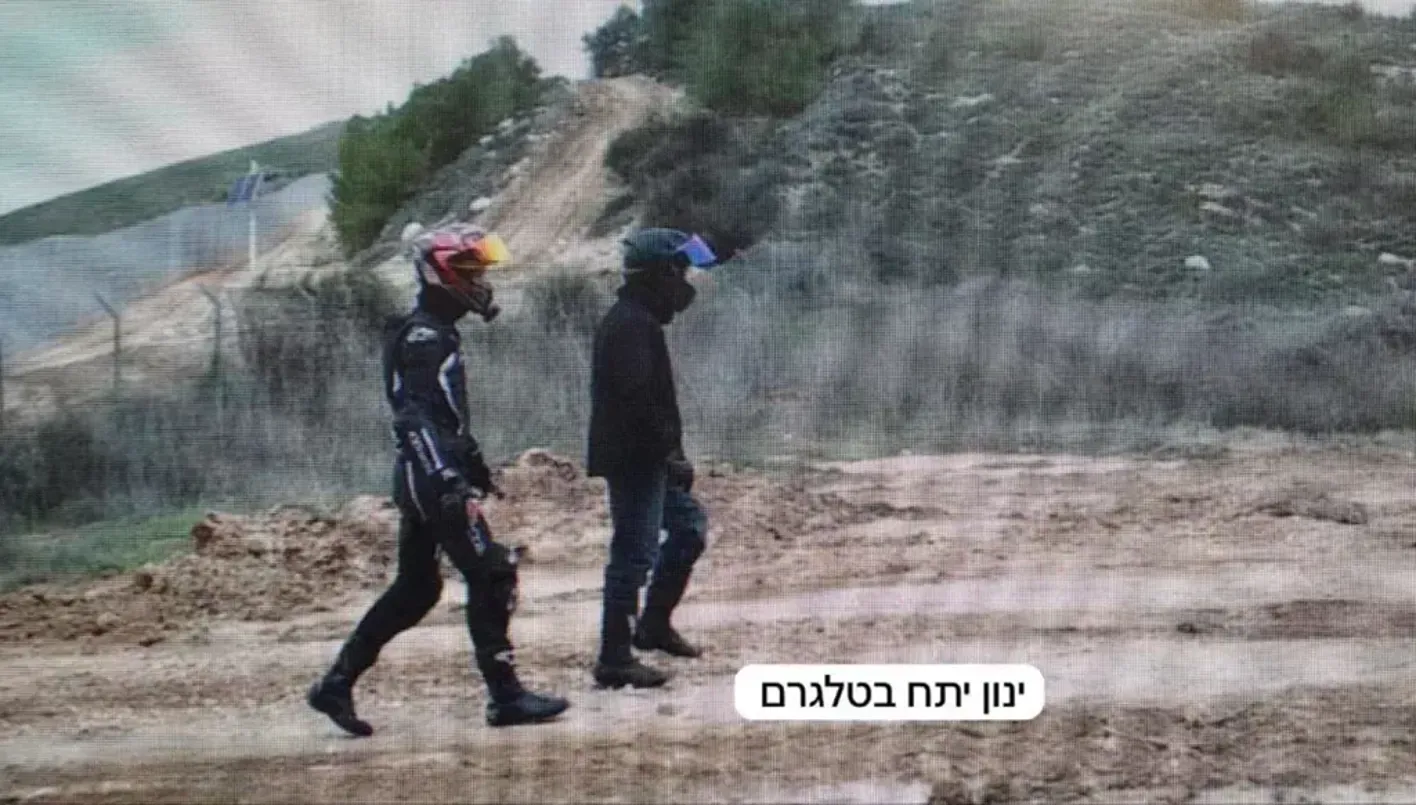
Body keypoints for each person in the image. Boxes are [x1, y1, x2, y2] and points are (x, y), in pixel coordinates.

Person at [307, 223, 570, 734]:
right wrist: (448, 477)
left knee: (416, 589)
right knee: (492, 573)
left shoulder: (430, 330)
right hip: (429, 478)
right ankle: (506, 697)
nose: (480, 282)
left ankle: (336, 683)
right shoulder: (427, 337)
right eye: (470, 272)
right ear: (439, 275)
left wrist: (469, 461)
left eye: (480, 273)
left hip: (421, 475)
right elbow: (413, 418)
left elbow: (439, 414)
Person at [586, 227, 720, 689]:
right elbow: (638, 403)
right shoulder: (630, 325)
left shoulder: (637, 320)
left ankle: (654, 626)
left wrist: (670, 453)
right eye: (680, 273)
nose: (685, 284)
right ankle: (614, 657)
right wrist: (669, 455)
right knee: (633, 554)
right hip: (635, 460)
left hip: (647, 457)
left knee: (688, 529)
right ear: (660, 275)